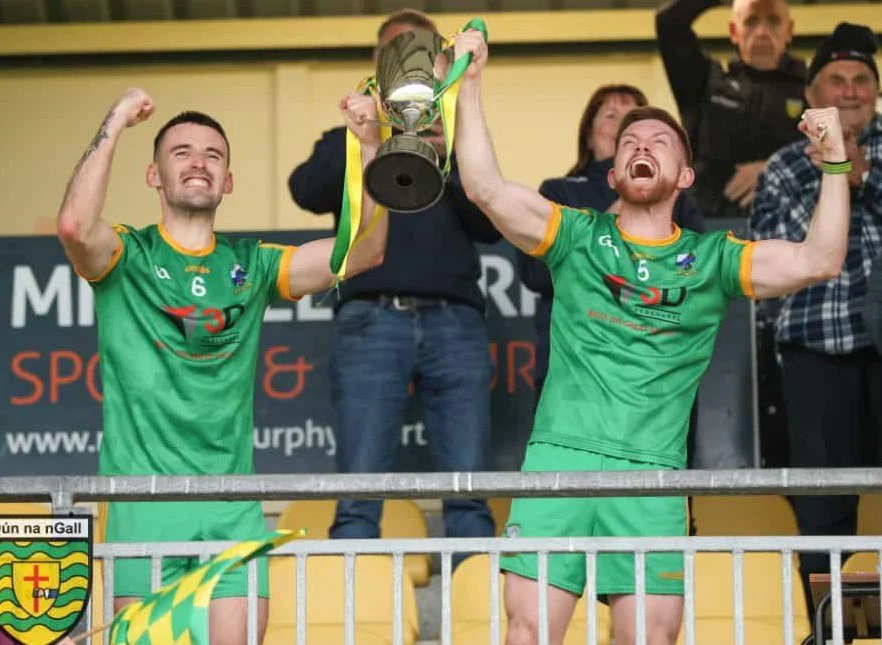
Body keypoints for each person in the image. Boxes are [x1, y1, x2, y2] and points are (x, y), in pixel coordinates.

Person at [451, 27, 851, 645]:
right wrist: (469, 83)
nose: (642, 145)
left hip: (654, 478)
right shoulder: (576, 234)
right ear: (612, 176)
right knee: (527, 632)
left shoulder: (715, 258)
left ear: (685, 176)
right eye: (629, 141)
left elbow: (819, 259)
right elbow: (484, 188)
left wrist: (834, 163)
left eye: (659, 140)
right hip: (560, 460)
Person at [55, 88, 386, 645]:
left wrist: (371, 145)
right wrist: (113, 122)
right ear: (153, 176)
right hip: (143, 505)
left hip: (232, 508)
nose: (198, 161)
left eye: (213, 154)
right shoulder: (125, 256)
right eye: (180, 152)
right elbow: (73, 227)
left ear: (228, 181)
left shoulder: (251, 264)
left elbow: (363, 253)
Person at [288, 9, 499, 547]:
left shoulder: (455, 135)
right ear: (378, 67)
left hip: (457, 324)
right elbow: (305, 188)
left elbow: (490, 224)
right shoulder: (352, 135)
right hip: (370, 319)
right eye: (396, 53)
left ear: (441, 62)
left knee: (469, 494)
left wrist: (444, 143)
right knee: (359, 494)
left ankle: (477, 624)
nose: (411, 61)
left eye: (422, 51)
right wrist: (371, 136)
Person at [750, 22, 882, 611]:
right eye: (838, 80)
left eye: (862, 81)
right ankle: (832, 627)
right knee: (825, 507)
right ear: (813, 95)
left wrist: (868, 178)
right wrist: (835, 175)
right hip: (814, 352)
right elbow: (772, 258)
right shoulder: (781, 167)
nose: (851, 91)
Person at [516, 84, 705, 410]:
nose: (623, 125)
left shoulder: (677, 199)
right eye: (611, 115)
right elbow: (536, 273)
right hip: (574, 365)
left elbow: (697, 267)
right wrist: (625, 202)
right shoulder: (559, 193)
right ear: (589, 137)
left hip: (656, 366)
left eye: (634, 119)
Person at [656, 0, 806, 219]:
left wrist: (776, 168)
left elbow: (833, 156)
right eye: (751, 21)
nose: (762, 31)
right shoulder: (704, 83)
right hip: (708, 230)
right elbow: (669, 23)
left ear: (789, 30)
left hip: (786, 229)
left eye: (773, 21)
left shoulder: (813, 90)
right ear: (734, 31)